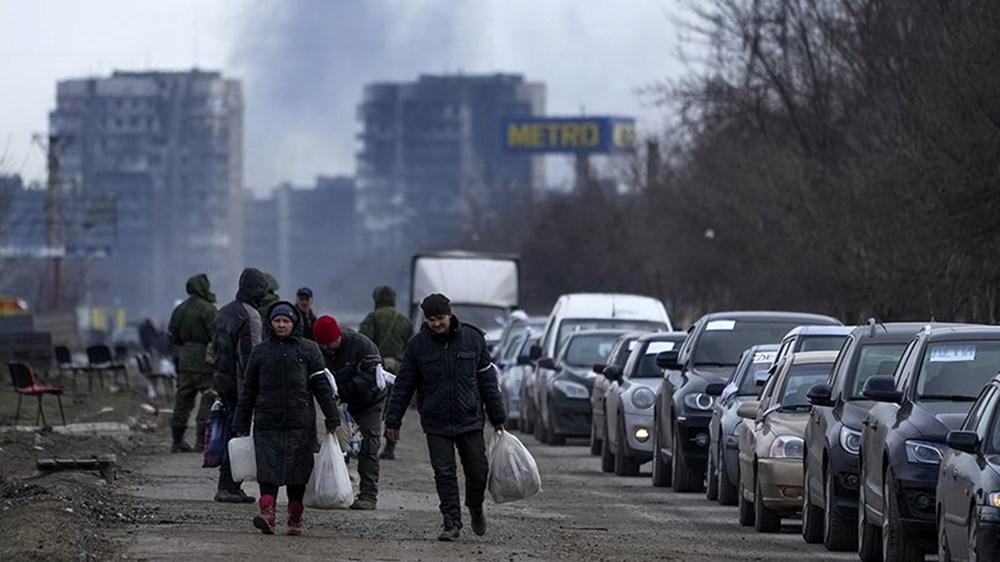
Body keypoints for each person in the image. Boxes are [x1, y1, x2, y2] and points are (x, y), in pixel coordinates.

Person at [384, 293, 506, 541]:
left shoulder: (474, 340)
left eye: (440, 318)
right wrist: (393, 420)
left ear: (449, 315)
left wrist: (497, 416)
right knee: (444, 473)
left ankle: (475, 506)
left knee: (477, 470)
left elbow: (487, 382)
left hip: (470, 419)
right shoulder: (417, 346)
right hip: (436, 422)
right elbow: (404, 385)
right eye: (431, 319)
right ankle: (451, 521)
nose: (436, 323)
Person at [233, 302, 340, 536]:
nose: (281, 325)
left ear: (294, 323)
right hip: (267, 421)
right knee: (267, 469)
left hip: (300, 422)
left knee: (297, 473)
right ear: (271, 323)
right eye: (277, 321)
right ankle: (267, 514)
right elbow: (249, 390)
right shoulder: (260, 352)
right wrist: (240, 421)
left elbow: (321, 386)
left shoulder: (309, 350)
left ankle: (295, 516)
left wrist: (332, 415)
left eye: (286, 321)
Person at [313, 315, 386, 511]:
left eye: (330, 343)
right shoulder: (318, 352)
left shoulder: (362, 346)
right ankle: (338, 490)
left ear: (339, 336)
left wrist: (345, 389)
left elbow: (373, 374)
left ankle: (368, 495)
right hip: (339, 404)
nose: (327, 348)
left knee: (369, 446)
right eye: (323, 345)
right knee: (338, 446)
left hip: (369, 402)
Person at [210, 267, 269, 504]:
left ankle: (230, 485)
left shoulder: (223, 312)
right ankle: (228, 486)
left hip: (223, 383)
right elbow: (251, 359)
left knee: (230, 434)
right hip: (240, 387)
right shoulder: (251, 316)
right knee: (238, 436)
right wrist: (257, 389)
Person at [358, 285, 414, 460]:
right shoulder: (405, 321)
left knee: (371, 407)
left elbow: (363, 342)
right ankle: (390, 446)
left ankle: (367, 444)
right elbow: (411, 348)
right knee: (394, 408)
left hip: (375, 369)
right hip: (398, 370)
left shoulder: (372, 318)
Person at [167, 273, 218, 453]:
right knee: (208, 398)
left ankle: (177, 440)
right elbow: (217, 335)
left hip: (185, 359)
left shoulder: (180, 309)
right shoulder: (209, 309)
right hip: (205, 361)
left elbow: (173, 335)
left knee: (182, 401)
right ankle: (201, 441)